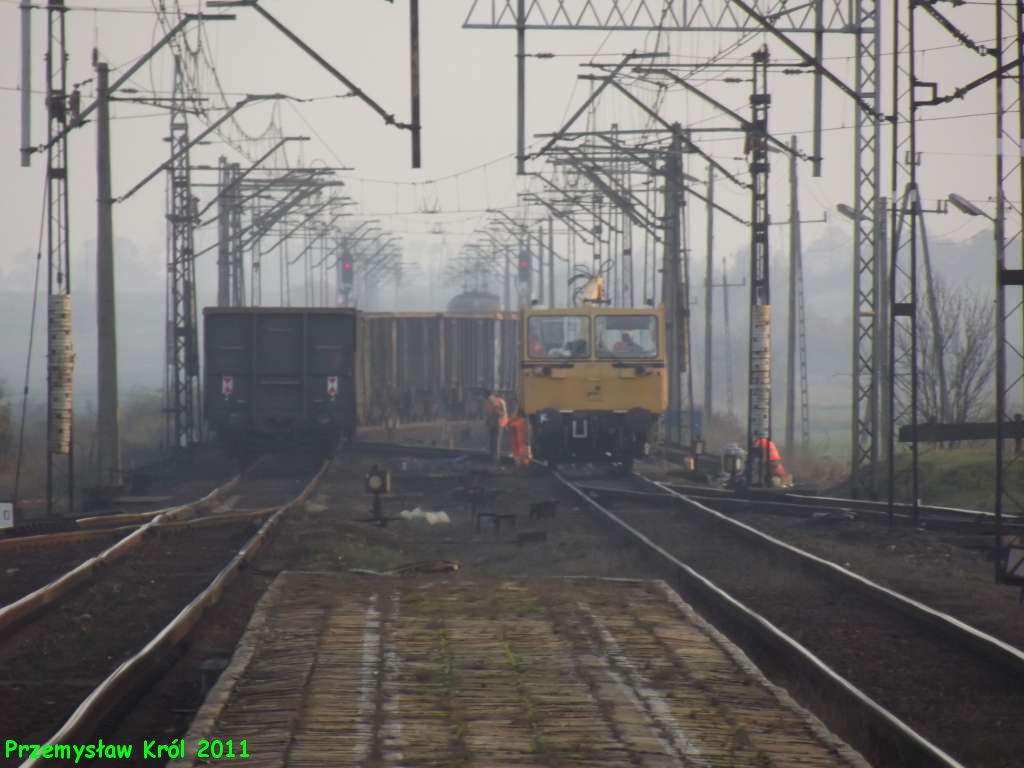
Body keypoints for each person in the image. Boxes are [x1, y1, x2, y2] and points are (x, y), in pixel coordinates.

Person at [482, 390, 508, 463]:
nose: (488, 398)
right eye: (486, 397)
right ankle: (492, 457)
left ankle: (496, 459)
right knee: (491, 441)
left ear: (492, 395)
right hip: (492, 424)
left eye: (488, 397)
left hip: (499, 423)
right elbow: (487, 414)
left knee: (496, 441)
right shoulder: (487, 402)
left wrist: (497, 412)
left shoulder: (500, 401)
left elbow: (503, 413)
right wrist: (488, 422)